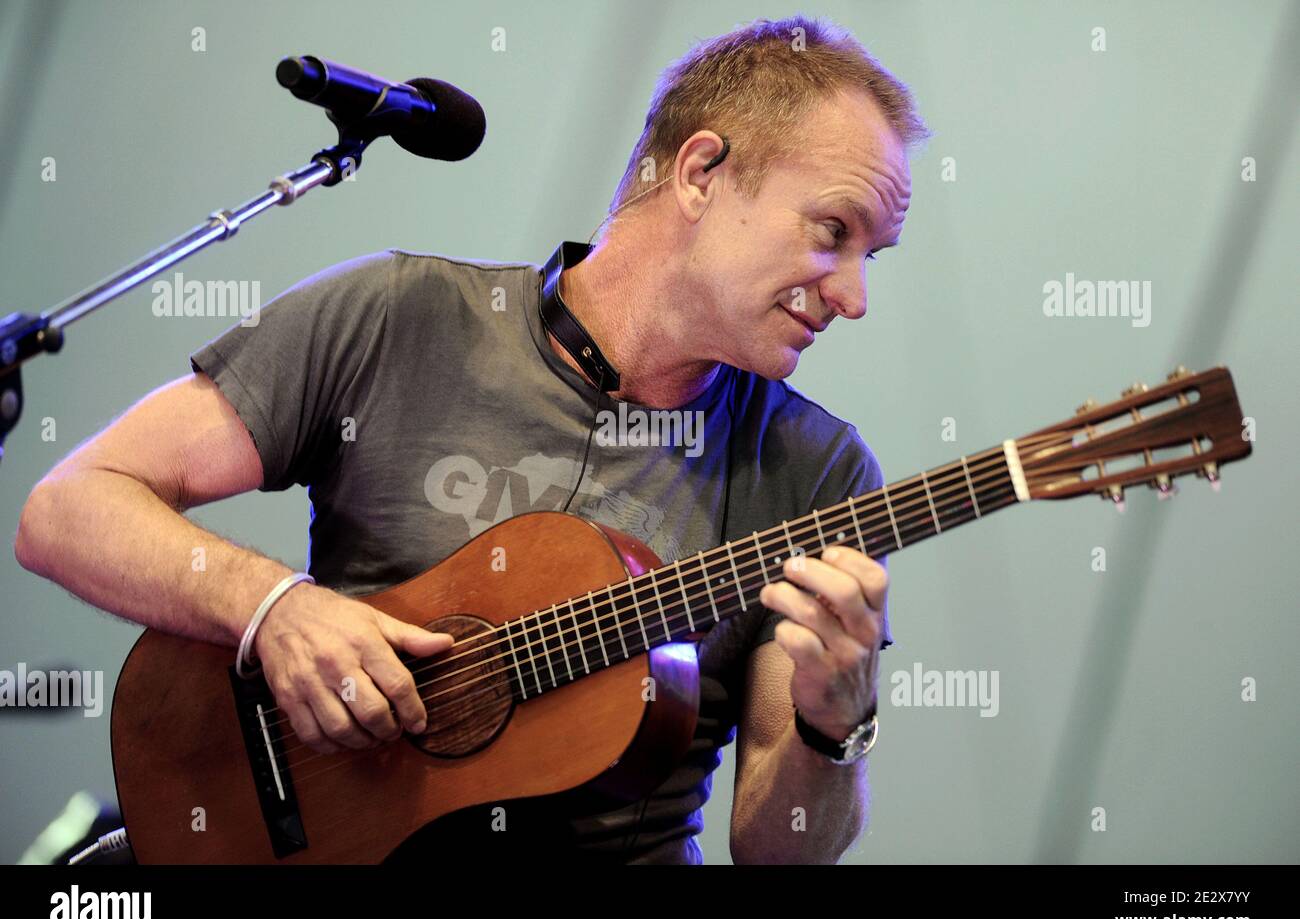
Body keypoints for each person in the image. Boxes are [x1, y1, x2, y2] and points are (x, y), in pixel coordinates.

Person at [15, 15, 926, 863]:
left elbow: (779, 849)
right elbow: (69, 508)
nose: (853, 295)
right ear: (699, 173)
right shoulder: (399, 317)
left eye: (870, 256)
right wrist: (273, 607)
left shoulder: (821, 475)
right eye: (832, 233)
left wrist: (833, 727)